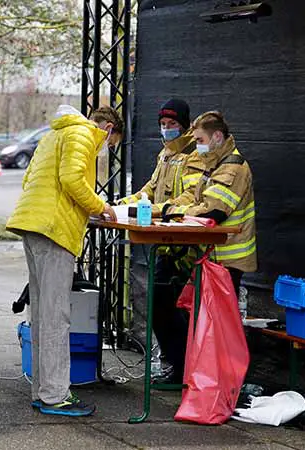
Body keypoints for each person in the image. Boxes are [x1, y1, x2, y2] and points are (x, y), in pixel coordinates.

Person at [6, 105, 122, 416]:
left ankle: (43, 390)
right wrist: (101, 206)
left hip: (32, 225)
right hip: (55, 230)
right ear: (108, 129)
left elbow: (29, 179)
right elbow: (72, 179)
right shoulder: (83, 134)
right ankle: (56, 395)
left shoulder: (52, 135)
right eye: (110, 144)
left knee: (42, 314)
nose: (105, 149)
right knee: (56, 315)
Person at [158, 111, 258, 383]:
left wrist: (175, 212)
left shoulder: (233, 167)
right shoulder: (215, 164)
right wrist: (173, 209)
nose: (197, 146)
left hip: (228, 258)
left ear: (217, 137)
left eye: (200, 140)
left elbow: (213, 211)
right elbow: (196, 201)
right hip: (212, 257)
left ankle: (223, 384)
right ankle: (201, 379)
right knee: (202, 321)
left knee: (219, 326)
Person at [116, 98, 197, 385]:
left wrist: (157, 211)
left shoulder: (194, 155)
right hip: (165, 242)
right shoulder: (165, 154)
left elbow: (190, 198)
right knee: (160, 307)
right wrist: (120, 205)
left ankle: (183, 369)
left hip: (187, 246)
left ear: (184, 125)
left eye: (172, 124)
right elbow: (149, 190)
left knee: (170, 309)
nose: (166, 129)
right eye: (163, 124)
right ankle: (177, 366)